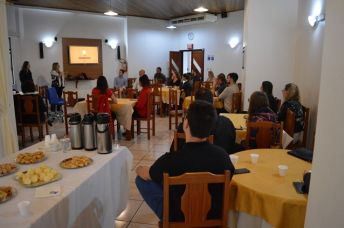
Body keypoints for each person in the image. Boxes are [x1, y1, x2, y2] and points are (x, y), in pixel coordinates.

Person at [135, 100, 235, 222]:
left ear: (186, 124)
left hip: (177, 219)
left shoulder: (171, 160)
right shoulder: (223, 156)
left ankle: (170, 205)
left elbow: (146, 174)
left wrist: (138, 168)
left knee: (141, 179)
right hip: (212, 220)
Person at [170, 88, 241, 154]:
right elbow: (232, 145)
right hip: (220, 163)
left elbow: (174, 150)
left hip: (189, 163)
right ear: (213, 103)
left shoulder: (185, 125)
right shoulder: (226, 123)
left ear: (195, 103)